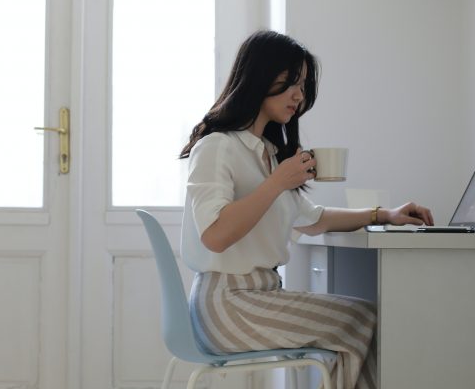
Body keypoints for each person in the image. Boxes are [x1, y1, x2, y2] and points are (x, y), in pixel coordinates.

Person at [179, 30, 433, 389]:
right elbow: (215, 236)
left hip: (255, 297)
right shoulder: (217, 146)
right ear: (260, 78)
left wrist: (383, 214)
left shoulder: (266, 152)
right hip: (228, 305)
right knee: (362, 321)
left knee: (363, 319)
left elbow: (314, 220)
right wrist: (277, 183)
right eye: (290, 83)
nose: (299, 95)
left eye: (302, 84)